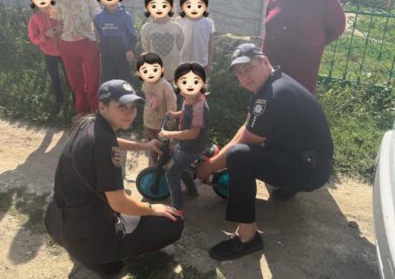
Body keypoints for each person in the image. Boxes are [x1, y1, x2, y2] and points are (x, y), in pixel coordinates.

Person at [197, 43, 334, 261]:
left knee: (238, 157)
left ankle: (247, 237)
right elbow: (247, 127)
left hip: (311, 171)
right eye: (239, 73)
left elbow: (247, 141)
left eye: (249, 68)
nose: (245, 77)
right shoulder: (270, 84)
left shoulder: (273, 94)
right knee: (243, 148)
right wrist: (215, 160)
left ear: (265, 62)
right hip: (310, 160)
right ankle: (289, 186)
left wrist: (209, 167)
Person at [44, 79, 183, 278]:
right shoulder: (104, 144)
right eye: (122, 107)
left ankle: (96, 256)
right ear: (103, 107)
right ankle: (98, 255)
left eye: (133, 107)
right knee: (174, 222)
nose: (130, 113)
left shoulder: (87, 122)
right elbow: (119, 203)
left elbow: (111, 141)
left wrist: (144, 146)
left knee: (111, 250)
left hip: (57, 223)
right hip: (84, 235)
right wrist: (153, 208)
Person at [262, 0, 346, 94]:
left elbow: (337, 27)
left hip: (302, 71)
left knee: (296, 105)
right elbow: (269, 18)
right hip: (269, 68)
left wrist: (313, 42)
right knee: (266, 103)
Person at [159, 63, 212, 216]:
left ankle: (177, 209)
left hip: (192, 147)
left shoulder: (199, 107)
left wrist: (169, 134)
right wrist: (175, 114)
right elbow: (185, 112)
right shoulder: (190, 97)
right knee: (180, 167)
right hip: (187, 145)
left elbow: (193, 133)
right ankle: (192, 190)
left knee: (171, 172)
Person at [52, 0, 102, 114]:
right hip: (67, 45)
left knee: (92, 80)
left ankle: (95, 111)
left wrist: (98, 39)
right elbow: (57, 22)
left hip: (87, 43)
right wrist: (57, 40)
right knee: (76, 82)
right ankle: (81, 111)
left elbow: (98, 20)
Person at [27, 0, 69, 118]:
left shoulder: (58, 11)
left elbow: (69, 23)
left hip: (64, 51)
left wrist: (61, 27)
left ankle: (77, 104)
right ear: (32, 0)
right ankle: (61, 105)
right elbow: (33, 39)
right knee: (55, 80)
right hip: (49, 54)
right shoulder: (34, 19)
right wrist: (45, 35)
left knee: (71, 78)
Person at [94, 0, 137, 83]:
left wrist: (130, 50)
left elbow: (133, 36)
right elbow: (97, 37)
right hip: (106, 58)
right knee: (108, 83)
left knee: (124, 83)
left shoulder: (126, 16)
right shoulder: (98, 17)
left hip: (123, 57)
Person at [137, 52, 177, 167]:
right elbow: (147, 99)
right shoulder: (146, 83)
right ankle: (152, 171)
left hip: (162, 126)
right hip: (148, 123)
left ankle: (165, 170)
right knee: (152, 150)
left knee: (165, 151)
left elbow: (171, 103)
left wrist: (170, 120)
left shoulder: (165, 86)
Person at [141, 0, 184, 83]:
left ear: (170, 7)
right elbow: (146, 47)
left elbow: (180, 45)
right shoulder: (147, 28)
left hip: (173, 72)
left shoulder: (176, 27)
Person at [178, 0, 215, 73]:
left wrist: (209, 64)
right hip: (182, 63)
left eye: (199, 5)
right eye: (189, 5)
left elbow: (210, 45)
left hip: (202, 64)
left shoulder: (208, 23)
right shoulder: (179, 21)